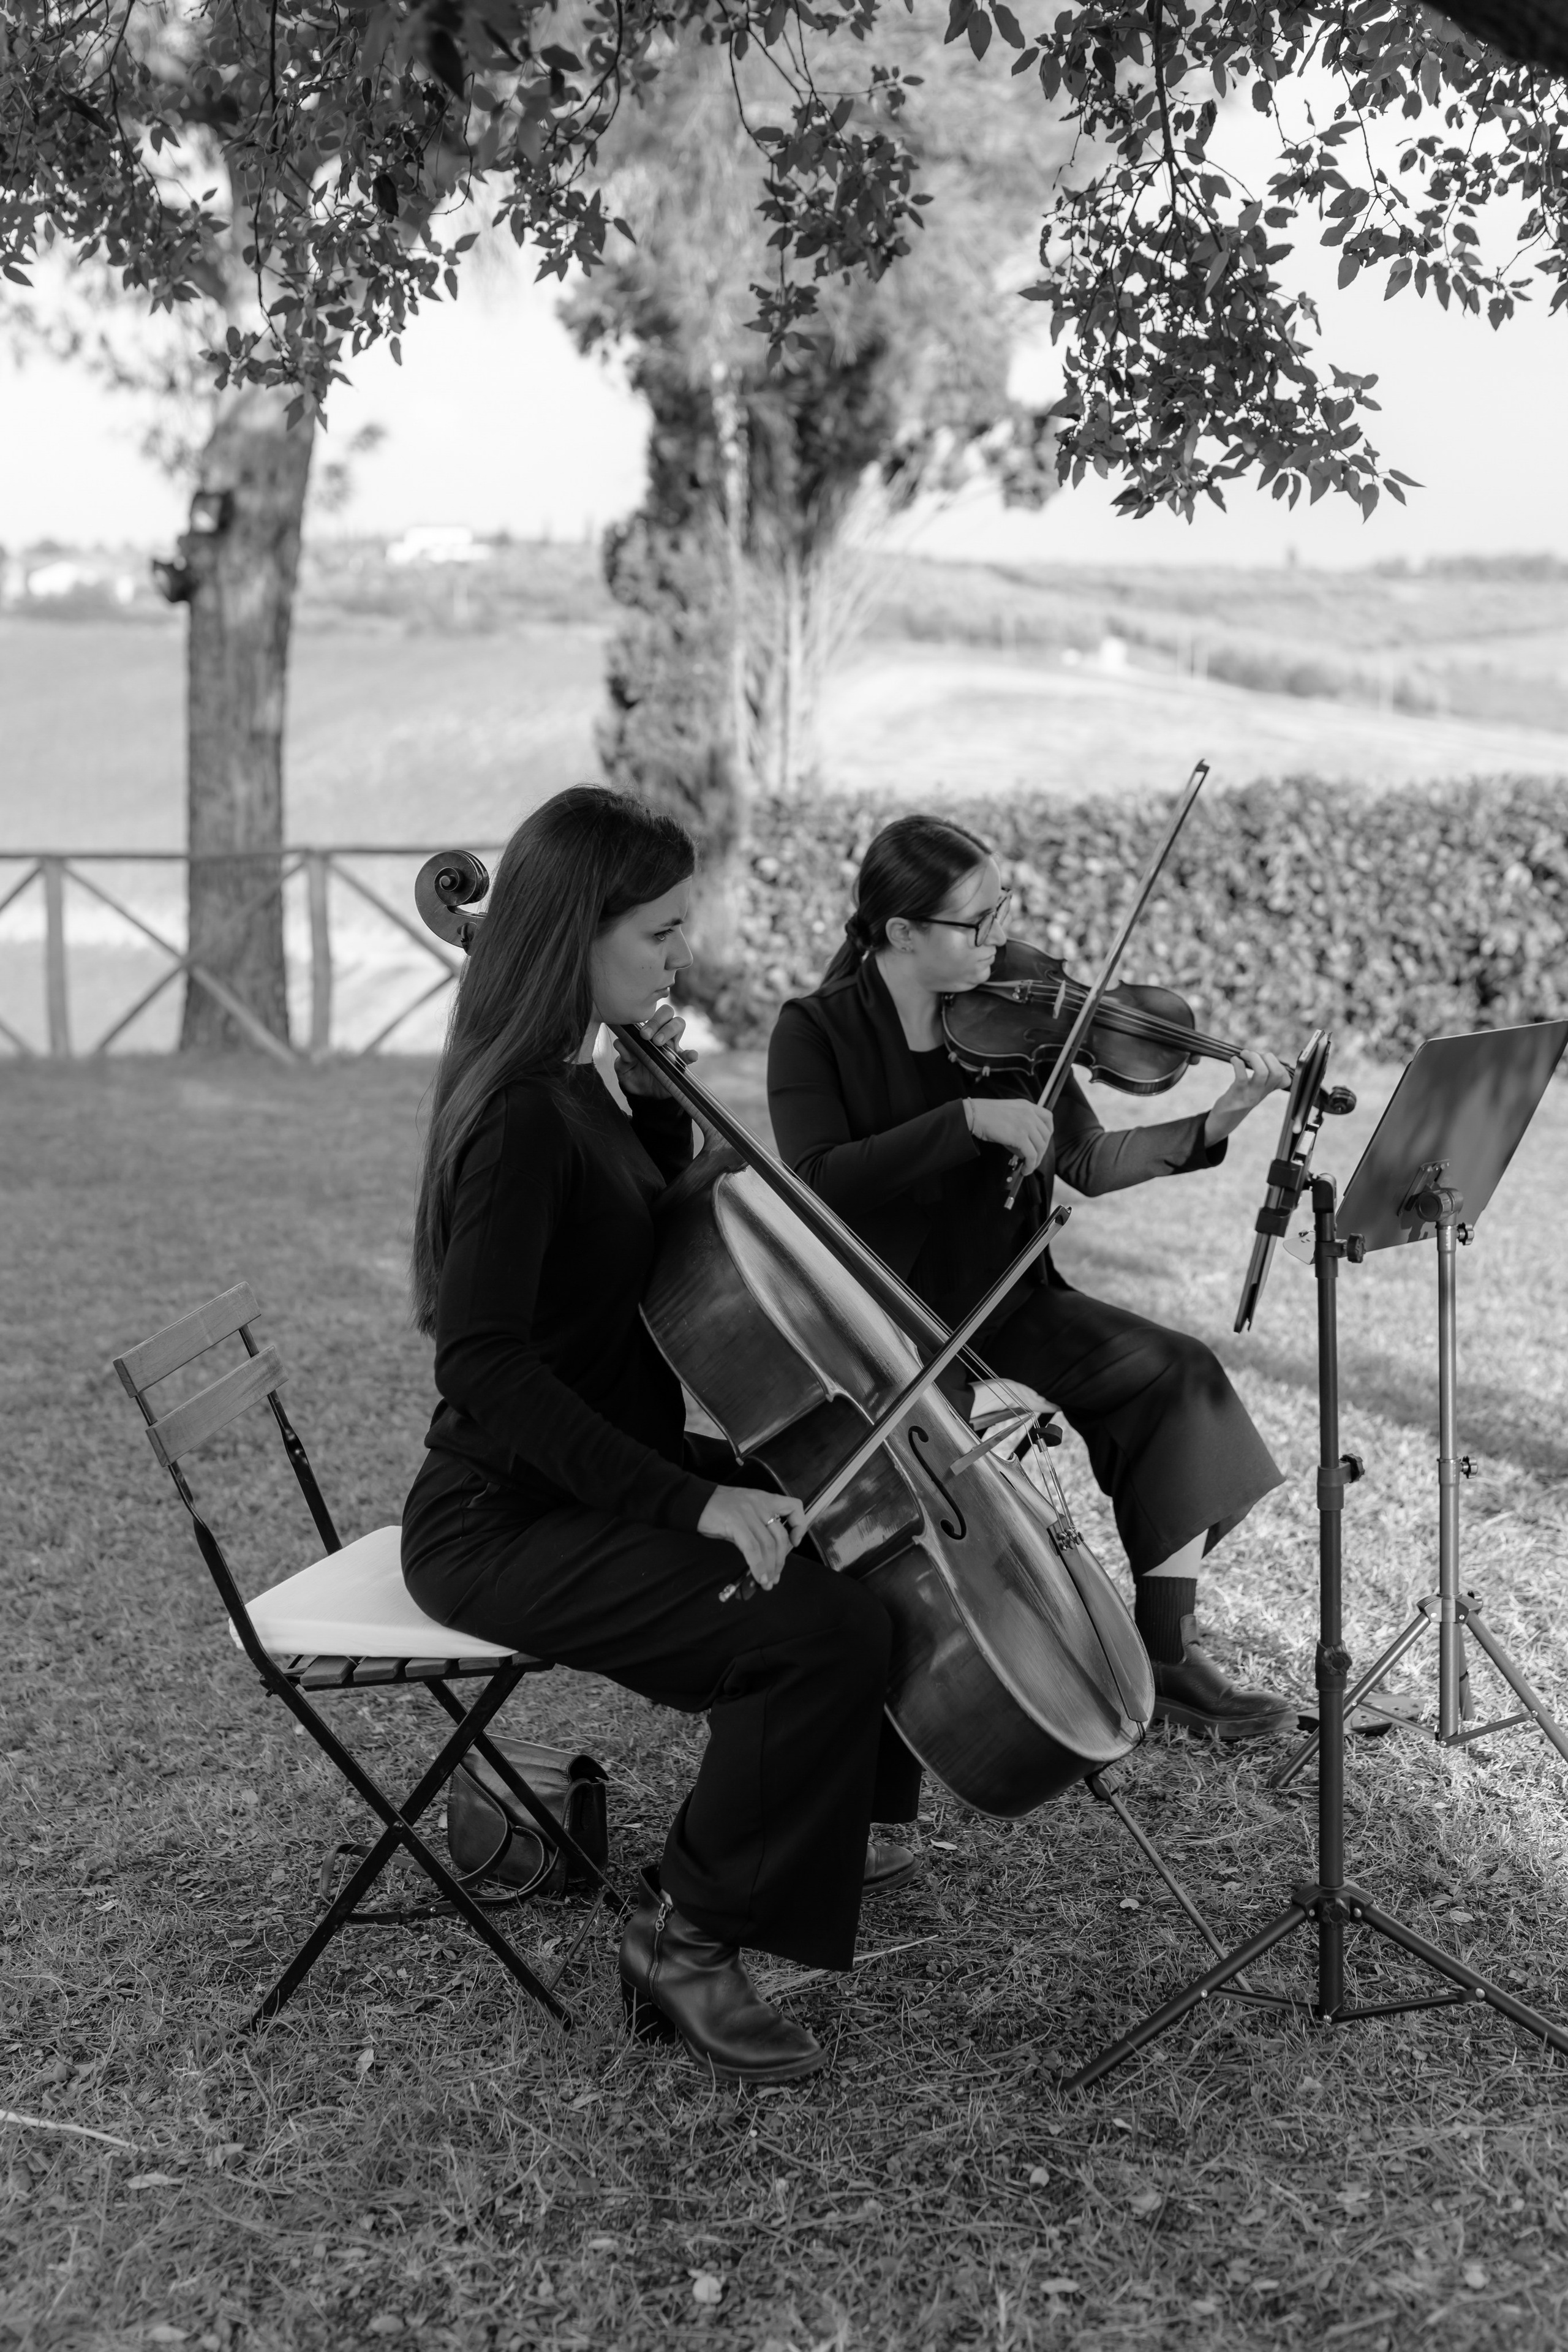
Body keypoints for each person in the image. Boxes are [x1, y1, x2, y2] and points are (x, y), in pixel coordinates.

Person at [401, 785, 919, 2087]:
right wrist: (689, 1505)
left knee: (856, 1539)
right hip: (500, 1519)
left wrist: (655, 1100)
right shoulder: (520, 1113)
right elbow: (484, 1364)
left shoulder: (580, 1083)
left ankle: (822, 1828)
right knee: (812, 1631)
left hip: (582, 1479)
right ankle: (684, 1943)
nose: (677, 955)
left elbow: (637, 1222)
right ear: (576, 933)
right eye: (658, 933)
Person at [766, 812, 1297, 1741]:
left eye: (1003, 908)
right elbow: (817, 1180)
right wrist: (963, 1122)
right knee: (942, 1503)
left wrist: (1220, 1119)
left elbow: (1088, 1161)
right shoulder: (817, 1032)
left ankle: (1168, 1657)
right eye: (976, 922)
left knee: (1177, 1378)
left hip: (1007, 1297)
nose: (1001, 935)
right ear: (901, 933)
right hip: (885, 1320)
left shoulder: (1022, 1020)